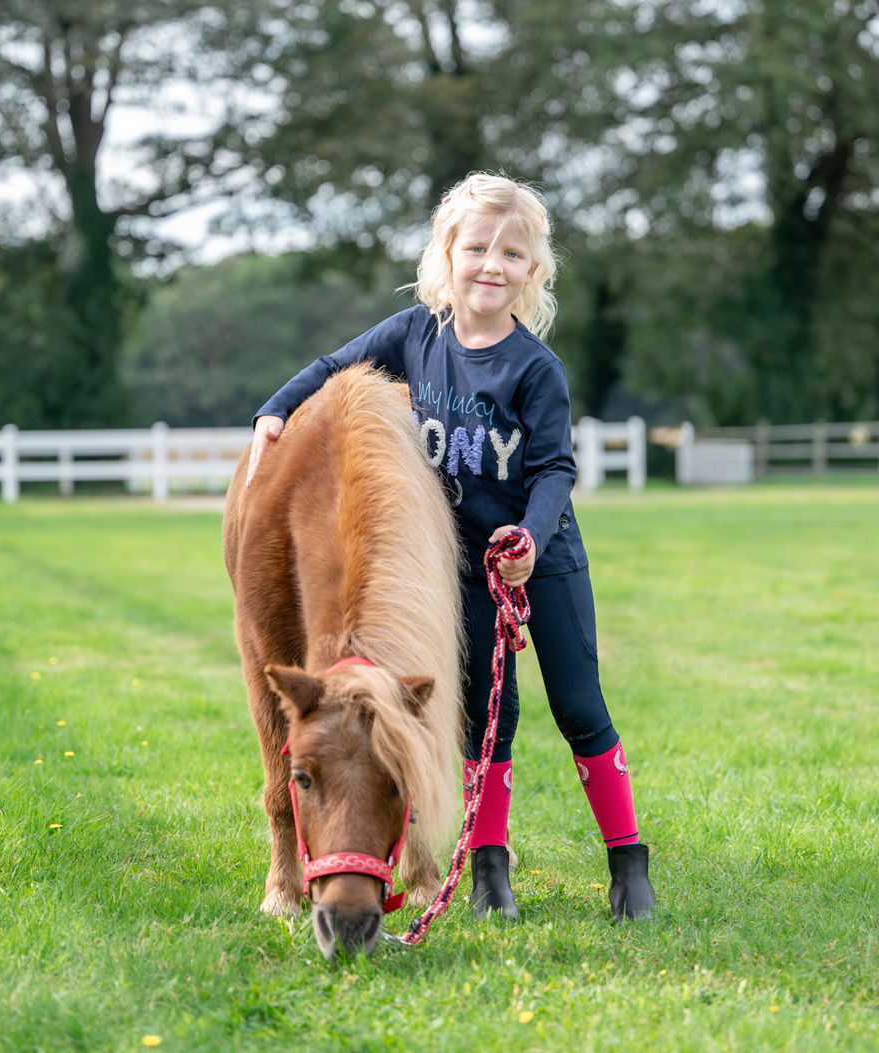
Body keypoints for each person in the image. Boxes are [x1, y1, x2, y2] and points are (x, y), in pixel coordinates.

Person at [247, 172, 656, 922]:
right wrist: (275, 409)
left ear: (533, 272)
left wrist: (531, 536)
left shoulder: (536, 367)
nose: (491, 265)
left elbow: (556, 466)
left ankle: (629, 861)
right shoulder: (415, 334)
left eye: (512, 253)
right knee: (484, 719)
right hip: (463, 566)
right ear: (447, 253)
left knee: (579, 706)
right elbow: (332, 367)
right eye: (477, 247)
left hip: (542, 557)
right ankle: (489, 872)